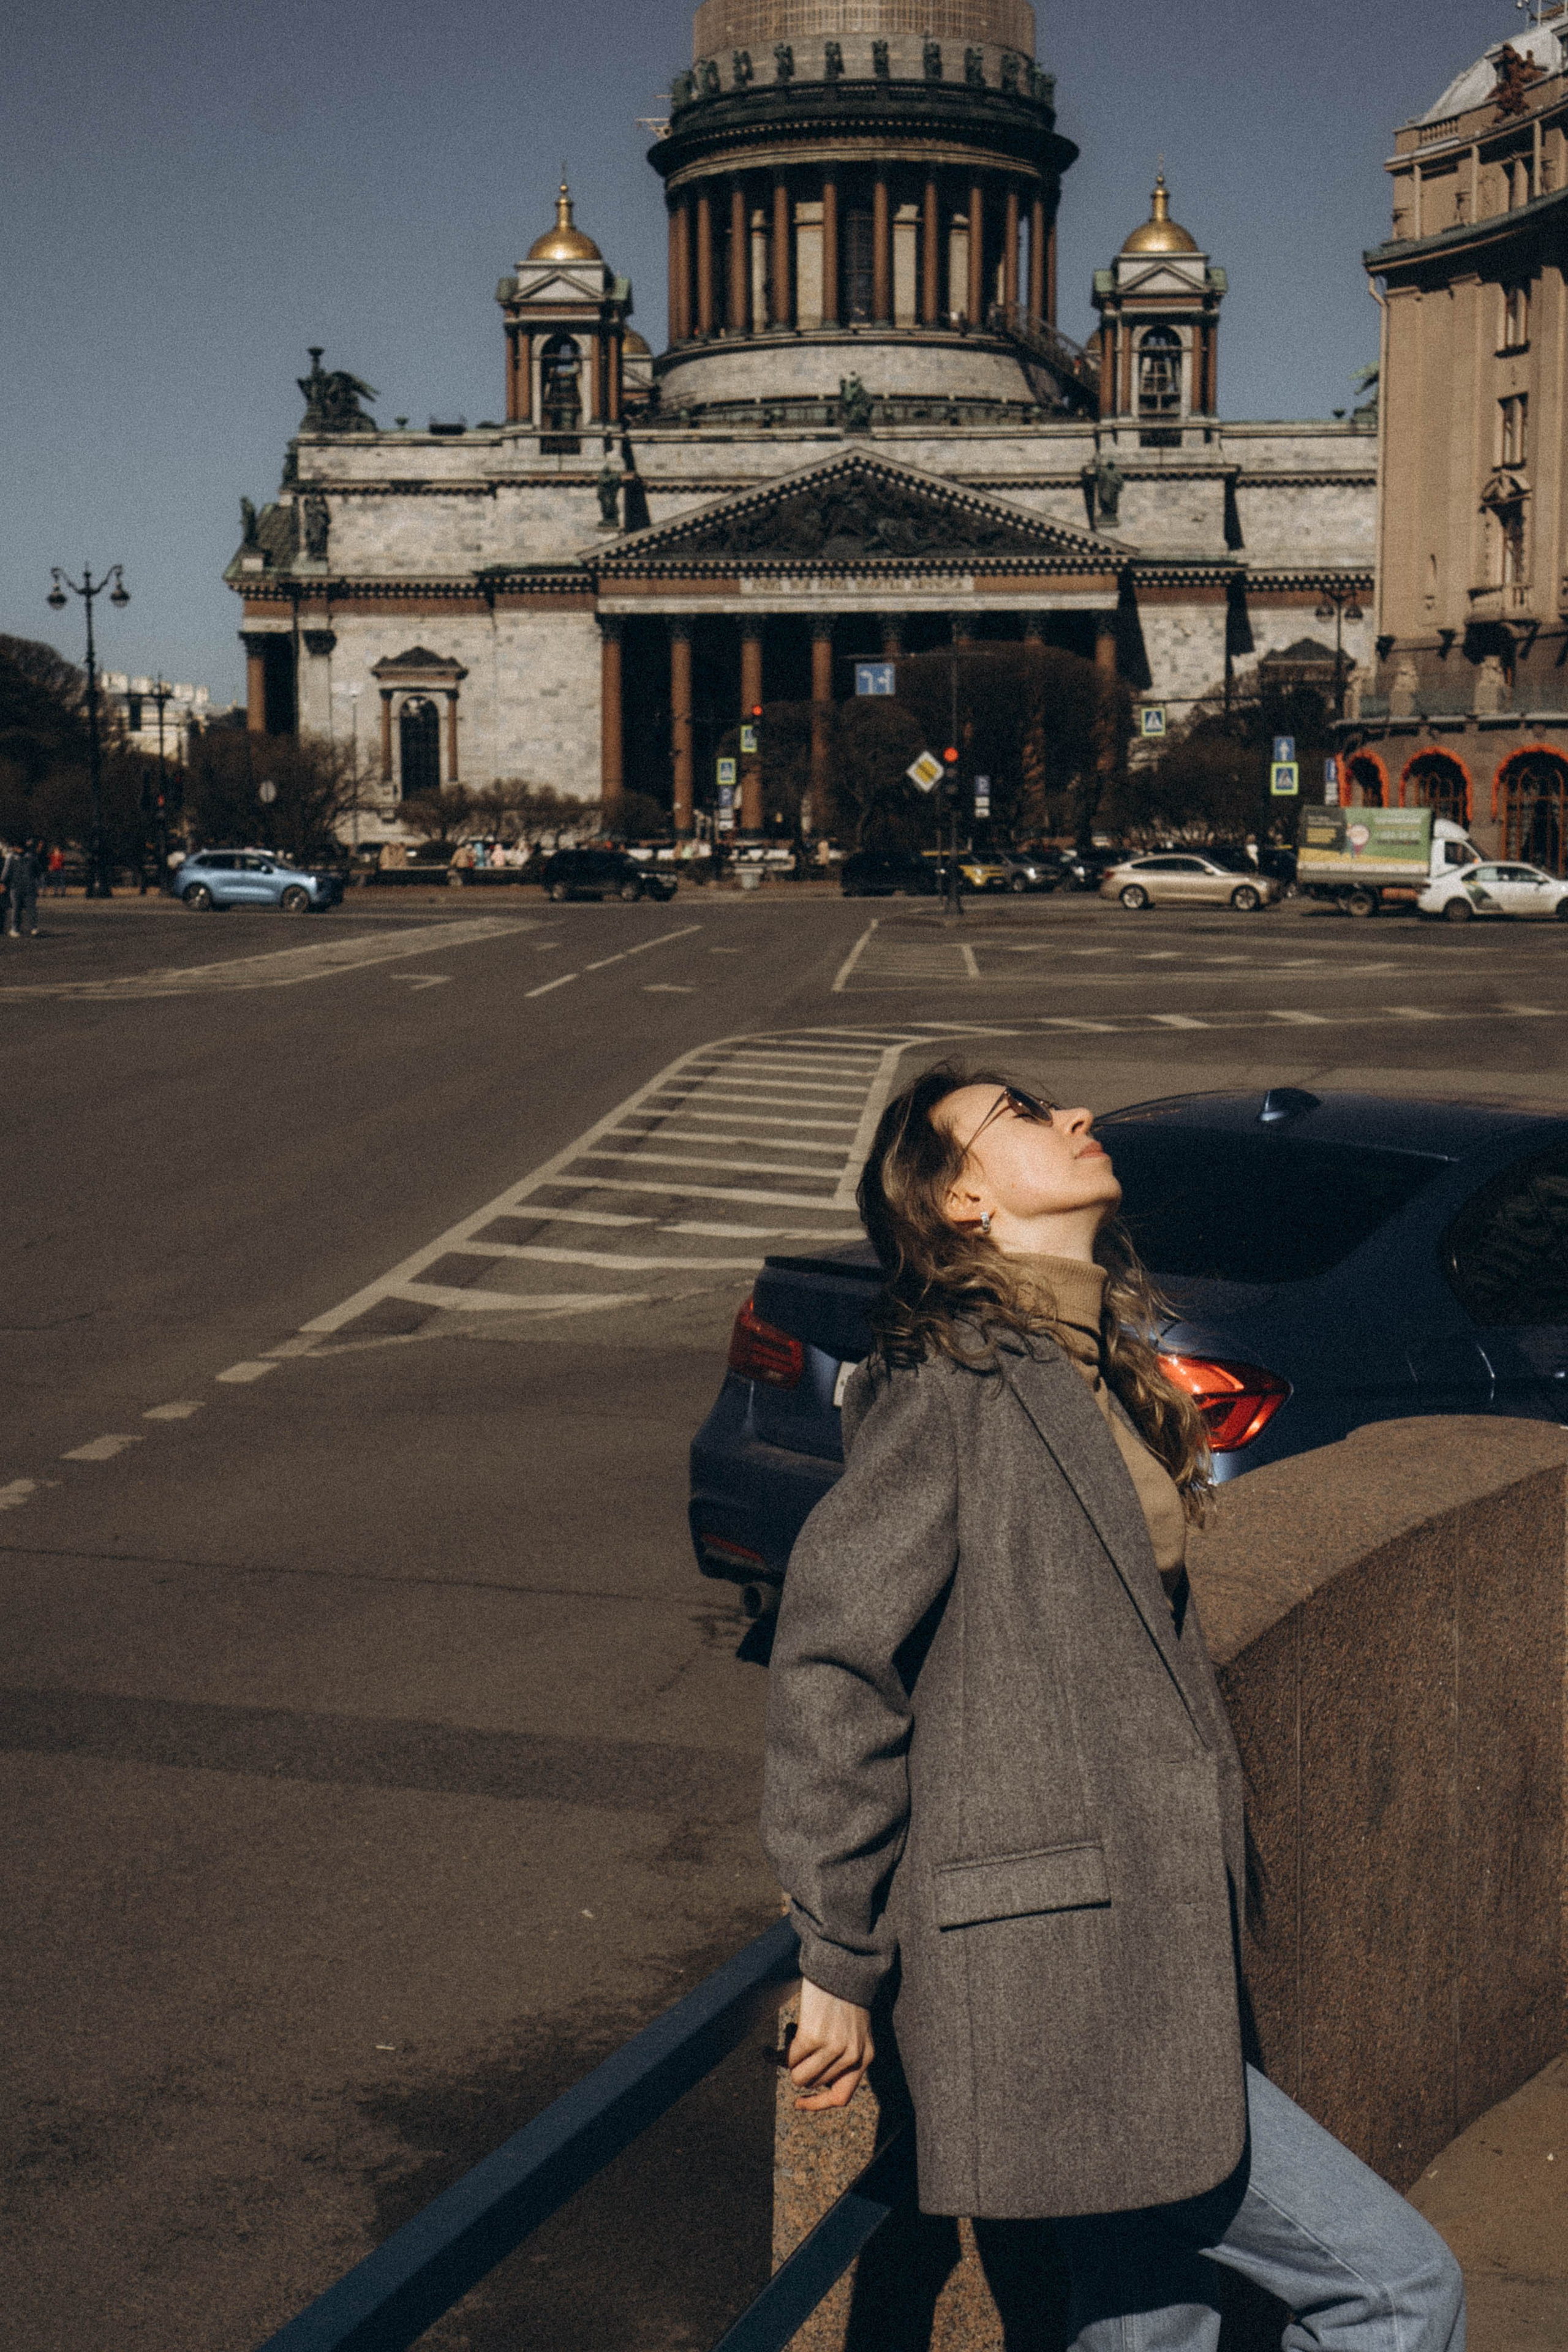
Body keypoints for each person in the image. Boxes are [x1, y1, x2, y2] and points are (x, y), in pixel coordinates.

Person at [762, 1066, 1464, 2352]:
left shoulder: (1078, 1364)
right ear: (961, 1199)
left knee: (1150, 2323)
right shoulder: (950, 1383)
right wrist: (838, 1960)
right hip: (1054, 1982)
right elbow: (833, 1656)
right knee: (1394, 2290)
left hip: (1133, 1960)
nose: (1076, 1117)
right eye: (1024, 1116)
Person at [4, 839, 40, 937]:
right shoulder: (32, 857)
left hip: (16, 886)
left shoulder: (11, 858)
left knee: (16, 908)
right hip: (30, 886)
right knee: (31, 908)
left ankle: (16, 929)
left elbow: (6, 872)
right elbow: (38, 871)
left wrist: (3, 882)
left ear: (16, 847)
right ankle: (34, 928)